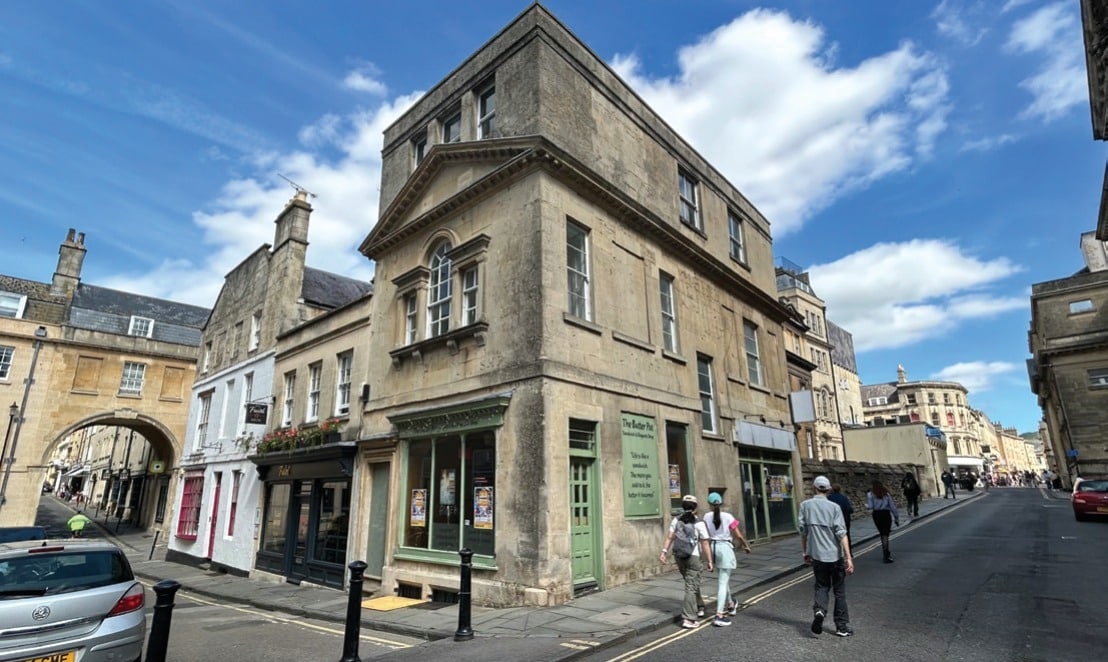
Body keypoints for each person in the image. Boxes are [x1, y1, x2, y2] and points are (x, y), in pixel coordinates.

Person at [799, 475, 854, 637]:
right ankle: (841, 626)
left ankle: (819, 611)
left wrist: (805, 551)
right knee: (839, 591)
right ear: (828, 490)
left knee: (821, 586)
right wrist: (848, 557)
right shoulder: (834, 507)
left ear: (814, 488)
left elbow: (803, 531)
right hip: (835, 556)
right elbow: (841, 533)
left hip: (817, 556)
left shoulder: (805, 506)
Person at [660, 494, 713, 629]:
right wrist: (709, 560)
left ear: (683, 506)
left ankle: (699, 606)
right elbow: (705, 543)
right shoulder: (699, 523)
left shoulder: (676, 520)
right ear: (695, 507)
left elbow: (670, 537)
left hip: (679, 556)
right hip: (693, 557)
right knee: (690, 586)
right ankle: (689, 619)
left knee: (691, 582)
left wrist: (664, 552)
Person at [702, 491, 752, 627]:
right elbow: (738, 535)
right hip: (725, 548)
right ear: (721, 503)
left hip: (713, 548)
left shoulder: (706, 516)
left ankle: (730, 604)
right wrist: (745, 546)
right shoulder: (728, 516)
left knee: (723, 579)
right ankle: (719, 615)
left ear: (709, 504)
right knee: (723, 582)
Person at [866, 480, 900, 563]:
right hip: (886, 514)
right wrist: (896, 517)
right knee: (885, 534)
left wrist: (866, 505)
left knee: (882, 533)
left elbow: (870, 506)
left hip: (876, 515)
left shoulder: (870, 494)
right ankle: (886, 554)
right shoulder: (886, 494)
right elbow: (892, 507)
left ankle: (886, 552)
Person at [826, 483, 854, 548]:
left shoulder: (829, 498)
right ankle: (848, 551)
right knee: (846, 535)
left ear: (832, 490)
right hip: (845, 520)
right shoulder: (844, 498)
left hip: (833, 521)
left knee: (834, 537)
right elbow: (849, 509)